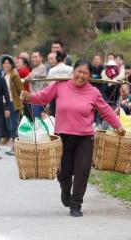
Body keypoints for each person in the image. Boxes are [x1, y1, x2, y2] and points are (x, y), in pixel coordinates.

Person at [20, 59, 126, 217]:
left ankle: (76, 204)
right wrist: (29, 97)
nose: (81, 75)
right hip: (63, 137)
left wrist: (118, 126)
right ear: (73, 71)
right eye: (79, 71)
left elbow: (105, 110)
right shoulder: (60, 85)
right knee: (64, 173)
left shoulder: (93, 92)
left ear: (89, 76)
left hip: (84, 138)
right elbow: (42, 97)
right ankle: (65, 191)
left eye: (85, 73)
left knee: (82, 171)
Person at [0, 55, 23, 155]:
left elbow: (21, 90)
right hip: (6, 103)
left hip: (14, 103)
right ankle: (15, 146)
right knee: (9, 125)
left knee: (14, 125)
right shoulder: (5, 74)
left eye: (8, 63)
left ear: (12, 64)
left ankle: (16, 147)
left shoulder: (14, 75)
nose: (6, 65)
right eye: (4, 63)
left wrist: (21, 103)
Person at [23, 51, 47, 118]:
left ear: (41, 58)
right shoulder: (35, 68)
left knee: (38, 119)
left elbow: (30, 77)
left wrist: (22, 80)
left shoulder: (42, 67)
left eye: (36, 57)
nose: (34, 59)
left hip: (39, 97)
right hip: (34, 97)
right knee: (36, 119)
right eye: (33, 57)